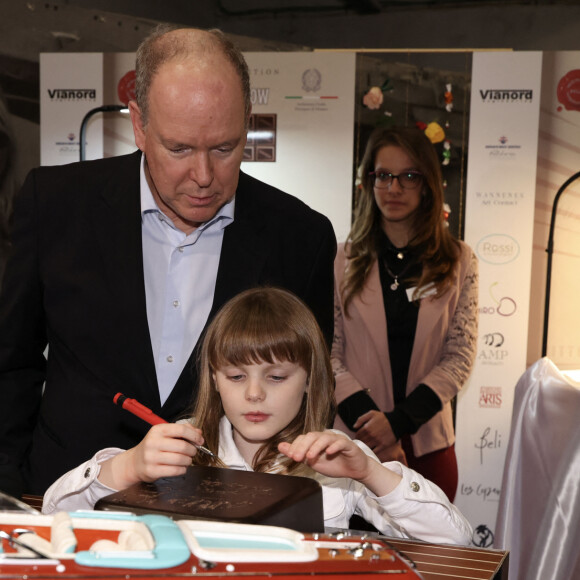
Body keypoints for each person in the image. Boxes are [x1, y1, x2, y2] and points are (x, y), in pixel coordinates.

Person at [0, 25, 336, 498]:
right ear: (139, 125)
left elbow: (312, 390)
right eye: (179, 148)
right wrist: (10, 496)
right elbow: (11, 365)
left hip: (229, 515)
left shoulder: (302, 237)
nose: (203, 176)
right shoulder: (55, 204)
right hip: (68, 503)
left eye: (225, 148)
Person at [42, 287, 472, 546]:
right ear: (214, 376)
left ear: (309, 379)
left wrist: (371, 474)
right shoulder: (179, 451)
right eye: (235, 375)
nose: (253, 393)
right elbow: (52, 513)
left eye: (277, 376)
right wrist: (127, 465)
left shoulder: (338, 463)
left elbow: (457, 540)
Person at [332, 126, 478, 502]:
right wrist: (373, 428)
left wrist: (394, 425)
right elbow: (326, 354)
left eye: (408, 176)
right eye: (384, 175)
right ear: (369, 181)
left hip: (427, 445)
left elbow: (459, 357)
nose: (394, 188)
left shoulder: (459, 261)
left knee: (432, 559)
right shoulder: (340, 259)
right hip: (353, 446)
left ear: (427, 184)